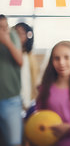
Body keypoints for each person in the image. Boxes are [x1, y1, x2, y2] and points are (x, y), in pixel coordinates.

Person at [35, 41, 70, 146]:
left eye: (66, 57)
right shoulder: (45, 87)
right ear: (51, 61)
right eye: (56, 58)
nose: (61, 62)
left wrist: (69, 127)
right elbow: (38, 115)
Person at [0, 14, 23, 146]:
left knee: (14, 141)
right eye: (0, 27)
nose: (4, 30)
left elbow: (20, 61)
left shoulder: (12, 36)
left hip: (11, 99)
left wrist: (7, 41)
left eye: (6, 27)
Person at [14, 22, 39, 109]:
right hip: (13, 96)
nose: (18, 36)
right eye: (16, 32)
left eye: (22, 33)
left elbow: (32, 78)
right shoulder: (8, 54)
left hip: (27, 95)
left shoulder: (29, 56)